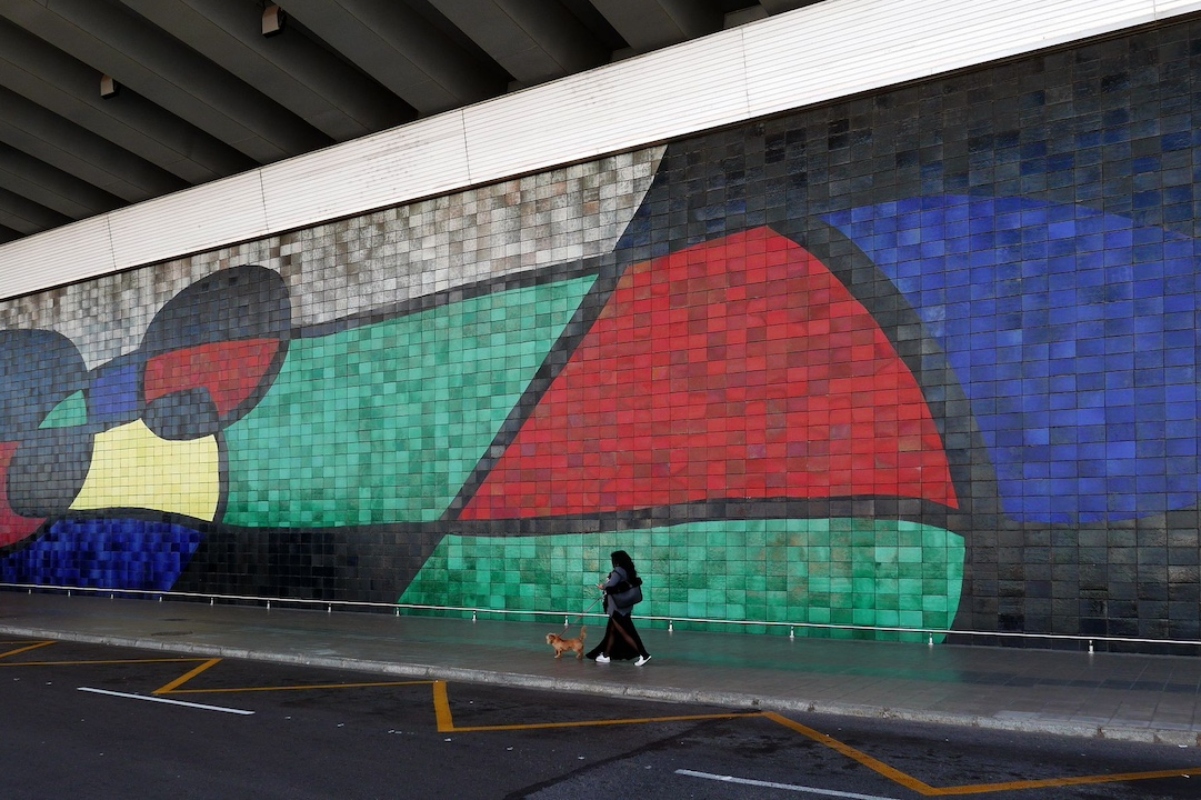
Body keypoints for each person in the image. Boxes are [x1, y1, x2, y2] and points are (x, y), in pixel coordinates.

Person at [586, 550, 651, 665]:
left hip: (617, 608)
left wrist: (603, 586)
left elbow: (611, 585)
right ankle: (606, 655)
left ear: (616, 561)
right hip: (625, 607)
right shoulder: (628, 571)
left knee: (627, 632)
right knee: (612, 631)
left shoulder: (618, 571)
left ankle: (644, 654)